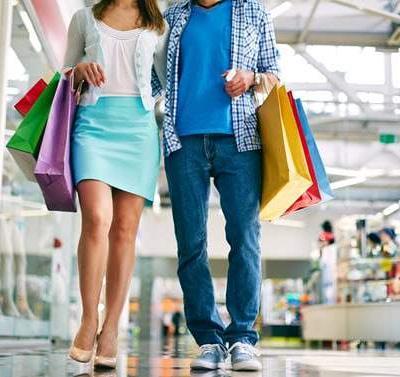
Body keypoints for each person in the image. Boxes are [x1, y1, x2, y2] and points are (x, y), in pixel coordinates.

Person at [157, 0, 280, 371]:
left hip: (240, 143)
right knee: (191, 244)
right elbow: (148, 76)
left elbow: (273, 75)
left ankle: (242, 338)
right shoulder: (172, 17)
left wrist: (252, 77)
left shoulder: (253, 13)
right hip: (183, 143)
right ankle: (209, 340)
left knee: (244, 238)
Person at [63, 0, 167, 369]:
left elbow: (168, 79)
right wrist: (78, 70)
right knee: (97, 218)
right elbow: (64, 71)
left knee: (124, 230)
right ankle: (89, 318)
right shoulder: (84, 18)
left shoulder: (159, 24)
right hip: (93, 125)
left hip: (138, 131)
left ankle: (111, 328)